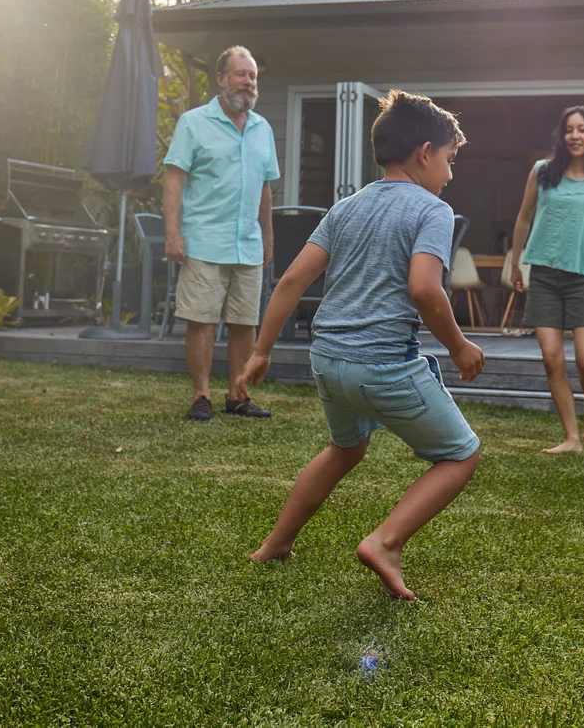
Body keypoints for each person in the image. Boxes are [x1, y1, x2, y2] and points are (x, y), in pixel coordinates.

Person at [243, 90, 485, 601]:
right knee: (461, 455)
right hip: (382, 365)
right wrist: (460, 346)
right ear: (424, 153)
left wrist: (261, 351)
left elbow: (289, 282)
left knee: (344, 449)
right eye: (449, 159)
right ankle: (386, 541)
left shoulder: (345, 208)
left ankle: (275, 545)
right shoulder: (433, 210)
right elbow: (424, 288)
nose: (450, 173)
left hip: (328, 361)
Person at [162, 46, 278, 421]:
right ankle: (201, 396)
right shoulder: (193, 123)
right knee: (202, 321)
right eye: (241, 74)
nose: (248, 82)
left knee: (246, 322)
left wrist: (268, 236)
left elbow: (265, 189)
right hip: (203, 240)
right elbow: (174, 180)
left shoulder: (263, 129)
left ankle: (237, 395)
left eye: (253, 76)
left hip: (247, 242)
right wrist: (173, 234)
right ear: (221, 79)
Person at [509, 105, 584, 454]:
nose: (575, 136)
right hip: (544, 275)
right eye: (570, 129)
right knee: (551, 358)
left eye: (583, 129)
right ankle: (571, 437)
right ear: (561, 135)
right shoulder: (542, 172)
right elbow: (523, 219)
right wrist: (516, 264)